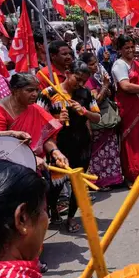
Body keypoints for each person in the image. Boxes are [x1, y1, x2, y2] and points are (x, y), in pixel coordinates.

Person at [38, 60, 101, 232]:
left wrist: (84, 111)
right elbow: (37, 121)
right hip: (57, 146)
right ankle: (54, 209)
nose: (80, 84)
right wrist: (57, 120)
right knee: (56, 184)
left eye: (83, 81)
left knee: (78, 184)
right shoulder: (49, 93)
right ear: (67, 73)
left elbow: (97, 117)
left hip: (82, 145)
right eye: (77, 79)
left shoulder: (86, 93)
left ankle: (71, 217)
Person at [0, 73, 68, 171]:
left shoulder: (35, 108)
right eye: (30, 90)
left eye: (37, 90)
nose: (35, 94)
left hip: (35, 165)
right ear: (15, 91)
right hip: (5, 169)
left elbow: (46, 136)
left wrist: (55, 152)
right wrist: (29, 158)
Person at [112, 35, 139, 185]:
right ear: (120, 50)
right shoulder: (119, 65)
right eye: (126, 48)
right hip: (129, 109)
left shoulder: (136, 63)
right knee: (132, 142)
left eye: (132, 47)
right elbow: (125, 86)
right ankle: (133, 175)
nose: (130, 50)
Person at [80, 52, 123, 190]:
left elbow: (105, 94)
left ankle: (112, 179)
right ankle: (101, 181)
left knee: (109, 151)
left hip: (105, 120)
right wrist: (105, 86)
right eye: (91, 64)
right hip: (97, 121)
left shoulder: (95, 78)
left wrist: (106, 88)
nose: (95, 66)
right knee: (100, 153)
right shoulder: (87, 81)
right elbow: (95, 102)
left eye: (96, 63)